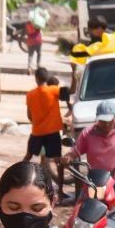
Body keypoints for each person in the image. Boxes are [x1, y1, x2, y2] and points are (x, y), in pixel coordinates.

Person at [66, 100, 115, 206]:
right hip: (98, 182)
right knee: (85, 208)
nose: (106, 125)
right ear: (97, 118)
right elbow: (74, 152)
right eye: (103, 121)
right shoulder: (87, 133)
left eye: (109, 121)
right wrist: (68, 157)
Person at [25, 68, 69, 197]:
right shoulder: (54, 90)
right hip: (52, 132)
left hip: (37, 132)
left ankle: (16, 180)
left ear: (36, 78)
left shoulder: (30, 94)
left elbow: (29, 115)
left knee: (28, 157)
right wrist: (74, 75)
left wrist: (38, 122)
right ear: (46, 78)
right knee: (58, 161)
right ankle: (60, 191)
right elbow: (70, 92)